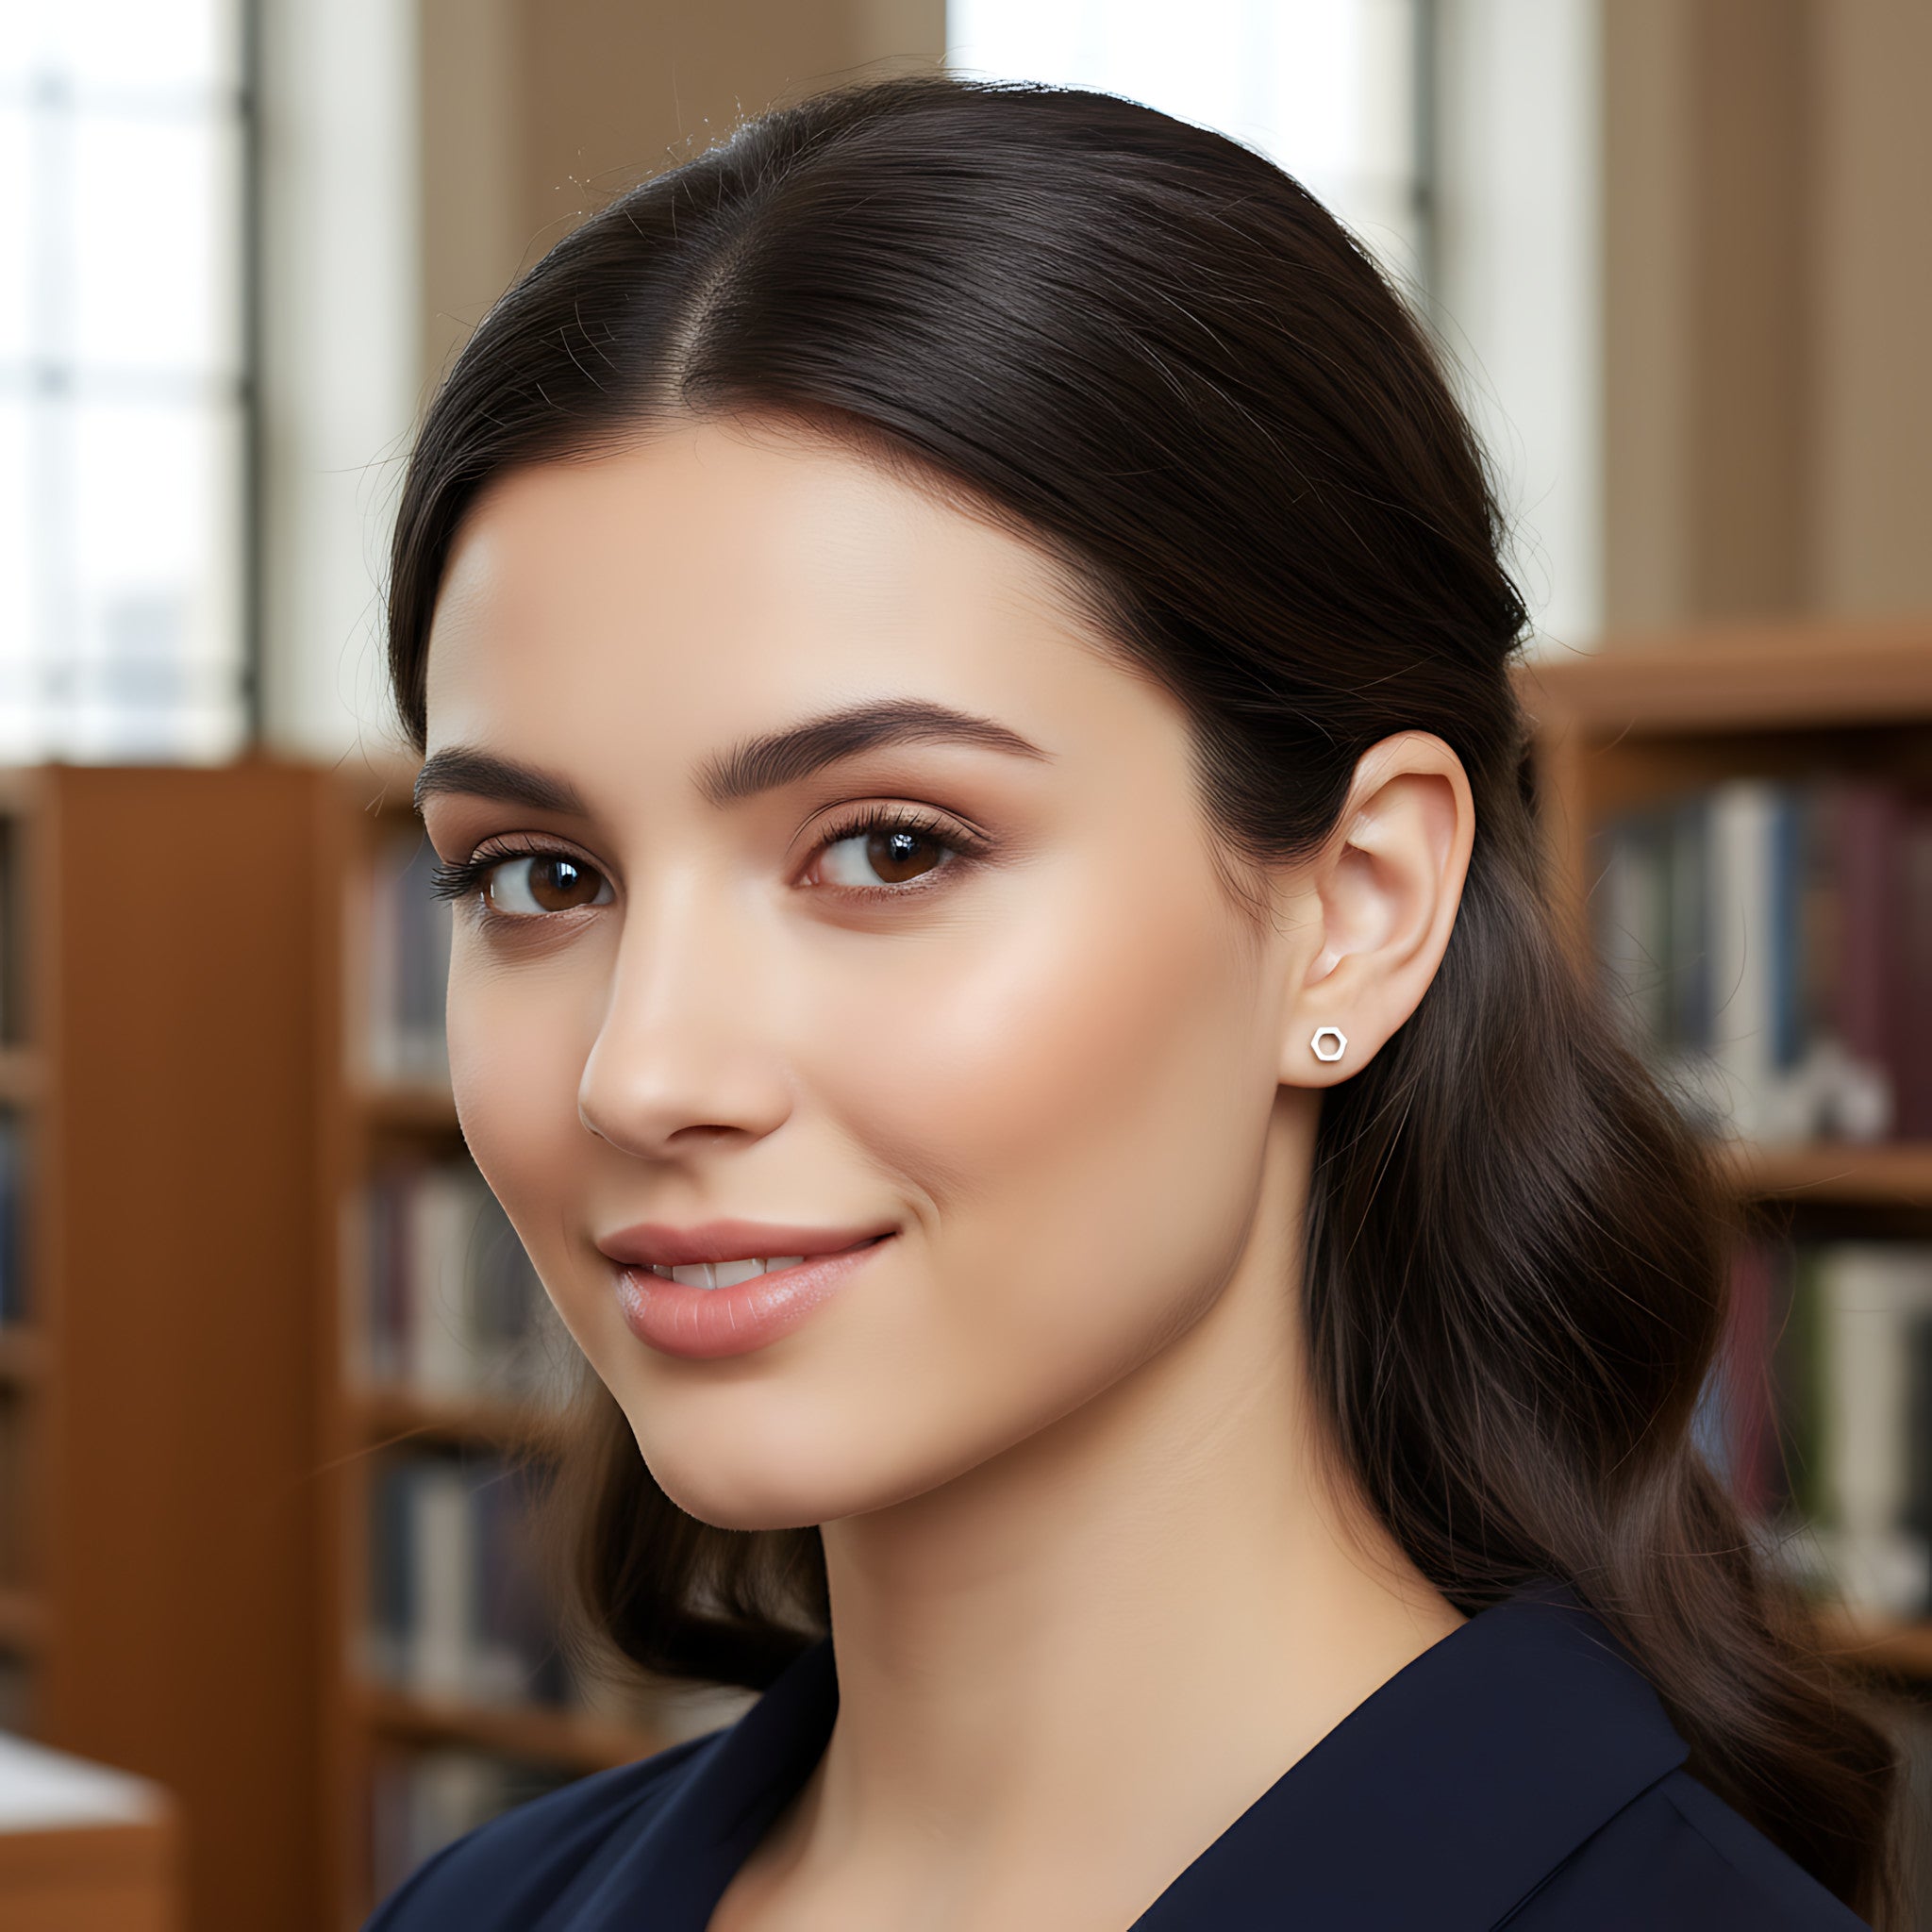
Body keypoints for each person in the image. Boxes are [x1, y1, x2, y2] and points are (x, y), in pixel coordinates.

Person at [364, 73, 1897, 1930]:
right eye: (541, 875)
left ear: (1354, 906)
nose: (643, 1071)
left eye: (893, 846)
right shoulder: (476, 1909)